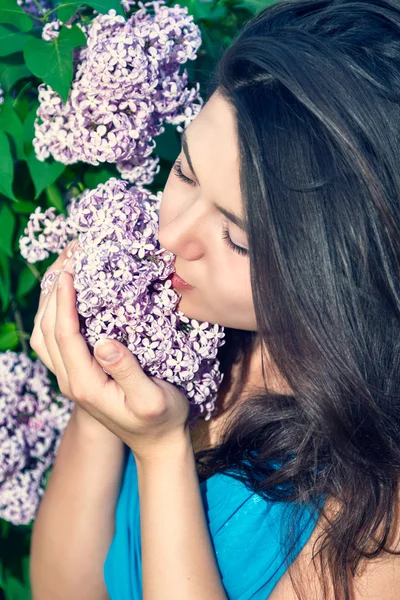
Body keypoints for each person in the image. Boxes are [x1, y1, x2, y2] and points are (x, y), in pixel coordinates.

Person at [28, 0, 400, 598]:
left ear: (344, 272)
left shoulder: (379, 512)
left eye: (237, 239)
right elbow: (59, 587)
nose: (172, 237)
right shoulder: (170, 313)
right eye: (185, 172)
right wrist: (101, 367)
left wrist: (160, 454)